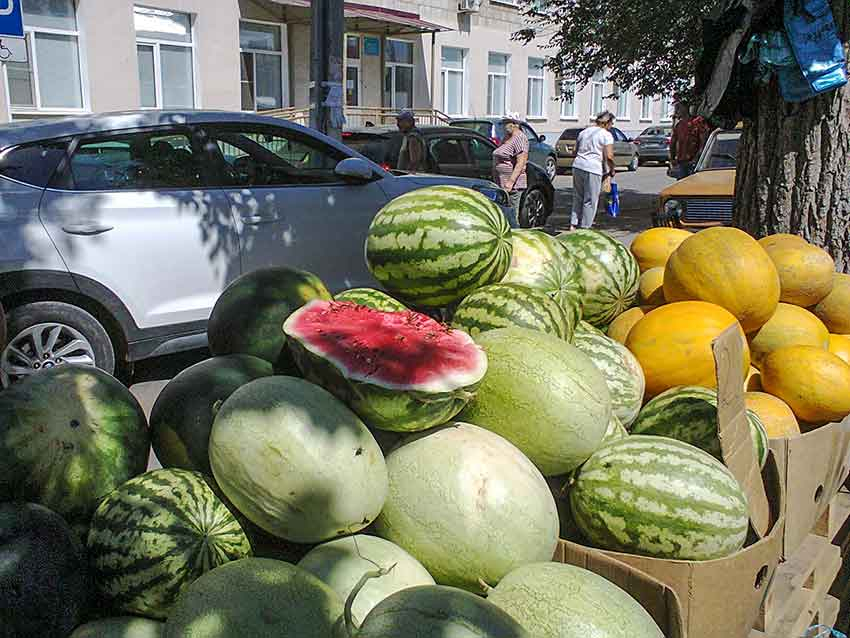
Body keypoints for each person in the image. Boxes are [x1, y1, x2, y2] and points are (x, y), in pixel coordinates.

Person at [571, 111, 616, 229]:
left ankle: (573, 224)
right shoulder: (606, 135)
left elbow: (574, 151)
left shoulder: (584, 132)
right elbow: (609, 156)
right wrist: (612, 170)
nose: (611, 127)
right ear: (607, 123)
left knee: (578, 197)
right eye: (611, 124)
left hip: (578, 165)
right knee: (590, 200)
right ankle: (585, 228)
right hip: (593, 168)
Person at [492, 113, 529, 221]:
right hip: (502, 183)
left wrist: (510, 182)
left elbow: (520, 162)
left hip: (512, 186)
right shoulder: (507, 137)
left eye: (506, 123)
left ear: (514, 124)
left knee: (511, 215)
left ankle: (514, 234)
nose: (503, 126)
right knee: (503, 214)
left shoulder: (520, 138)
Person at [670, 103, 711, 178]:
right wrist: (672, 158)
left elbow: (703, 143)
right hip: (682, 162)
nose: (676, 111)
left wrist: (697, 158)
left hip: (694, 162)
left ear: (685, 109)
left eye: (679, 108)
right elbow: (672, 143)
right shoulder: (679, 125)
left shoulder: (698, 123)